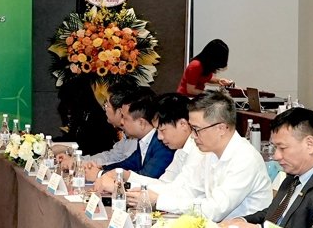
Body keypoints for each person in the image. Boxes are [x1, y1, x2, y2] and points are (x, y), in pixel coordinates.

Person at [125, 91, 272, 221]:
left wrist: (159, 200)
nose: (192, 136)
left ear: (221, 128)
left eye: (196, 129)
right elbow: (186, 190)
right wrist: (140, 192)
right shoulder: (209, 152)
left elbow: (214, 210)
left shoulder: (244, 158)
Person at [223, 107, 313, 228]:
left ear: (310, 145)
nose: (276, 156)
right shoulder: (294, 176)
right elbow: (274, 214)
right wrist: (241, 221)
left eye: (282, 148)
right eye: (275, 148)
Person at [98, 93, 194, 196]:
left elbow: (181, 192)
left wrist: (121, 187)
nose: (159, 137)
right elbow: (164, 184)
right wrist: (127, 175)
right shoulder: (180, 150)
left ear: (183, 124)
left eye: (162, 130)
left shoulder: (197, 151)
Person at [73, 82, 157, 179]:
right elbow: (123, 163)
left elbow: (144, 177)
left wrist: (99, 173)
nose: (122, 122)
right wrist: (99, 168)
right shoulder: (141, 140)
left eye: (107, 105)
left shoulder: (158, 144)